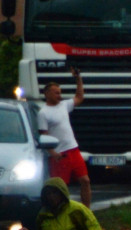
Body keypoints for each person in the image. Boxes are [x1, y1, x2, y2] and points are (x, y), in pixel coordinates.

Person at [38, 67, 92, 208]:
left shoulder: (64, 105)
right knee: (61, 188)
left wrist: (78, 79)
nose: (59, 95)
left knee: (85, 180)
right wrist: (53, 153)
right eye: (56, 93)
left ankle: (87, 211)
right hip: (59, 154)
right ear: (47, 93)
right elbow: (43, 136)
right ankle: (62, 212)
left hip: (73, 149)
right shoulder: (43, 113)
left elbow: (79, 97)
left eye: (60, 93)